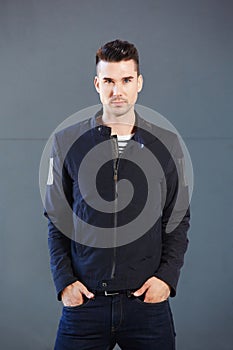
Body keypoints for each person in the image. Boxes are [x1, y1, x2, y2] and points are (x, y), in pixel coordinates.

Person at [44, 39, 190, 350]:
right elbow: (57, 221)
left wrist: (166, 278)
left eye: (126, 80)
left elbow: (177, 219)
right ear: (97, 84)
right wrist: (65, 284)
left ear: (139, 83)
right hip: (85, 304)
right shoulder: (66, 143)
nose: (117, 91)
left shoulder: (165, 144)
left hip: (146, 307)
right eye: (108, 81)